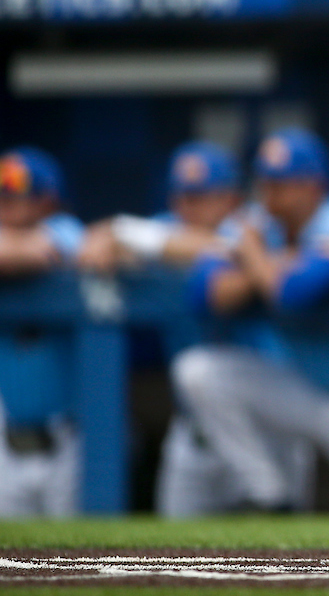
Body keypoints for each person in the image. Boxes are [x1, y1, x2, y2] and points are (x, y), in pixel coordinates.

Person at [171, 128, 329, 514]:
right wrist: (268, 267)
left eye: (285, 183)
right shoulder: (255, 225)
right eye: (266, 181)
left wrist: (254, 258)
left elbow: (297, 293)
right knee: (199, 370)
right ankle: (268, 492)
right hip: (304, 389)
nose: (272, 193)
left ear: (314, 185)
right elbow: (203, 295)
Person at [77, 140, 248, 518]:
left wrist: (130, 233)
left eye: (200, 195)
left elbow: (219, 249)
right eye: (181, 195)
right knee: (177, 559)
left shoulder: (254, 231)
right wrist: (109, 237)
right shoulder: (168, 232)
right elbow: (98, 241)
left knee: (285, 555)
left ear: (231, 198)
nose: (187, 206)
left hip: (256, 432)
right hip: (191, 434)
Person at [0, 147, 85, 516]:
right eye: (2, 198)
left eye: (19, 198)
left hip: (64, 440)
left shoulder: (66, 230)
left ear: (49, 201)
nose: (8, 207)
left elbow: (40, 252)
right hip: (6, 444)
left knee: (77, 561)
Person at [78, 141, 241, 275]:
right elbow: (110, 242)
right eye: (178, 196)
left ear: (227, 199)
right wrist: (111, 245)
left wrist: (123, 231)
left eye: (194, 196)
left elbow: (222, 246)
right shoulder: (168, 224)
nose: (183, 206)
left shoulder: (243, 226)